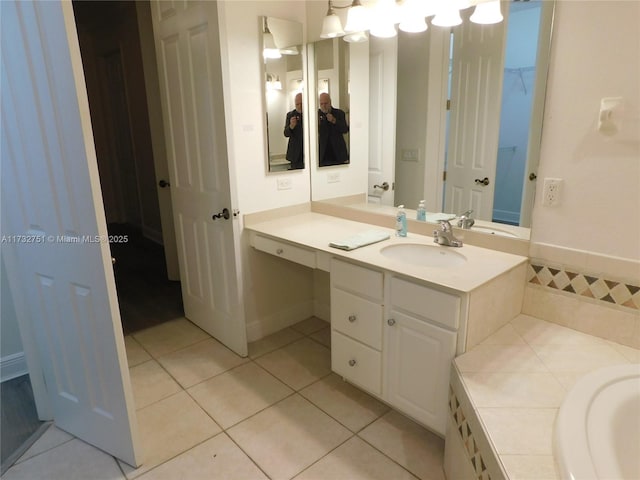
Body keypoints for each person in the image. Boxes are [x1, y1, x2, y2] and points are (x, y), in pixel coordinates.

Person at [318, 92, 349, 166]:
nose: (324, 106)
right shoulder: (316, 115)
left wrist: (334, 121)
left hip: (338, 151)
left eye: (326, 103)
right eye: (321, 104)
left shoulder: (339, 113)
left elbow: (345, 129)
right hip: (323, 152)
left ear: (330, 102)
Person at [283, 93, 304, 170]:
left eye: (301, 103)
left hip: (309, 151)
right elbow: (286, 134)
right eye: (297, 104)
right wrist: (291, 126)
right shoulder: (290, 115)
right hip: (295, 153)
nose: (299, 106)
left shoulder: (311, 113)